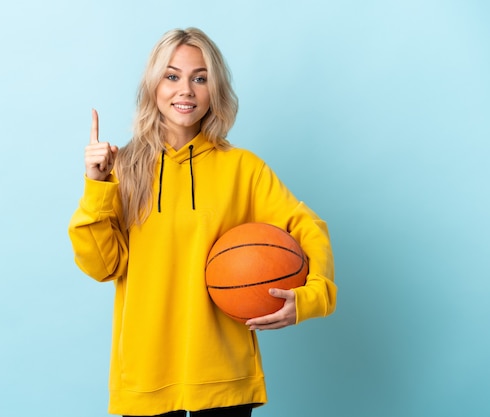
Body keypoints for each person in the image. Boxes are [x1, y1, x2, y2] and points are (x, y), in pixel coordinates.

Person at [69, 27, 337, 417]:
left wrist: (313, 297)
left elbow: (308, 227)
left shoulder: (243, 169)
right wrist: (96, 186)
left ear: (215, 90)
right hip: (146, 377)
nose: (186, 90)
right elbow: (101, 266)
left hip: (225, 379)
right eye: (172, 76)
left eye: (200, 78)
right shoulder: (120, 168)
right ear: (152, 86)